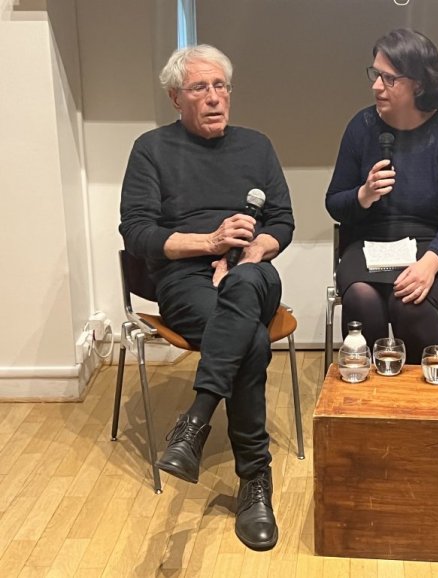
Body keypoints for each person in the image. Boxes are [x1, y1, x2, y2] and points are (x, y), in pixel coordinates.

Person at [119, 44, 294, 550]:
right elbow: (137, 232)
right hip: (184, 279)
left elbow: (282, 221)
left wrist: (249, 253)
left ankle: (196, 419)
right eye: (200, 87)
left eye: (221, 86)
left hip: (253, 272)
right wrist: (210, 244)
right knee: (251, 342)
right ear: (177, 98)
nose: (215, 97)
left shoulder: (257, 146)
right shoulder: (151, 149)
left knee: (245, 286)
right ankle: (255, 480)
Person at [325, 28, 438, 364]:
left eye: (389, 78)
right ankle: (370, 390)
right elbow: (334, 202)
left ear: (419, 85)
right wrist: (364, 195)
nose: (376, 86)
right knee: (362, 299)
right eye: (375, 74)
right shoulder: (362, 126)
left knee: (410, 304)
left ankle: (419, 394)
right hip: (371, 244)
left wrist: (430, 264)